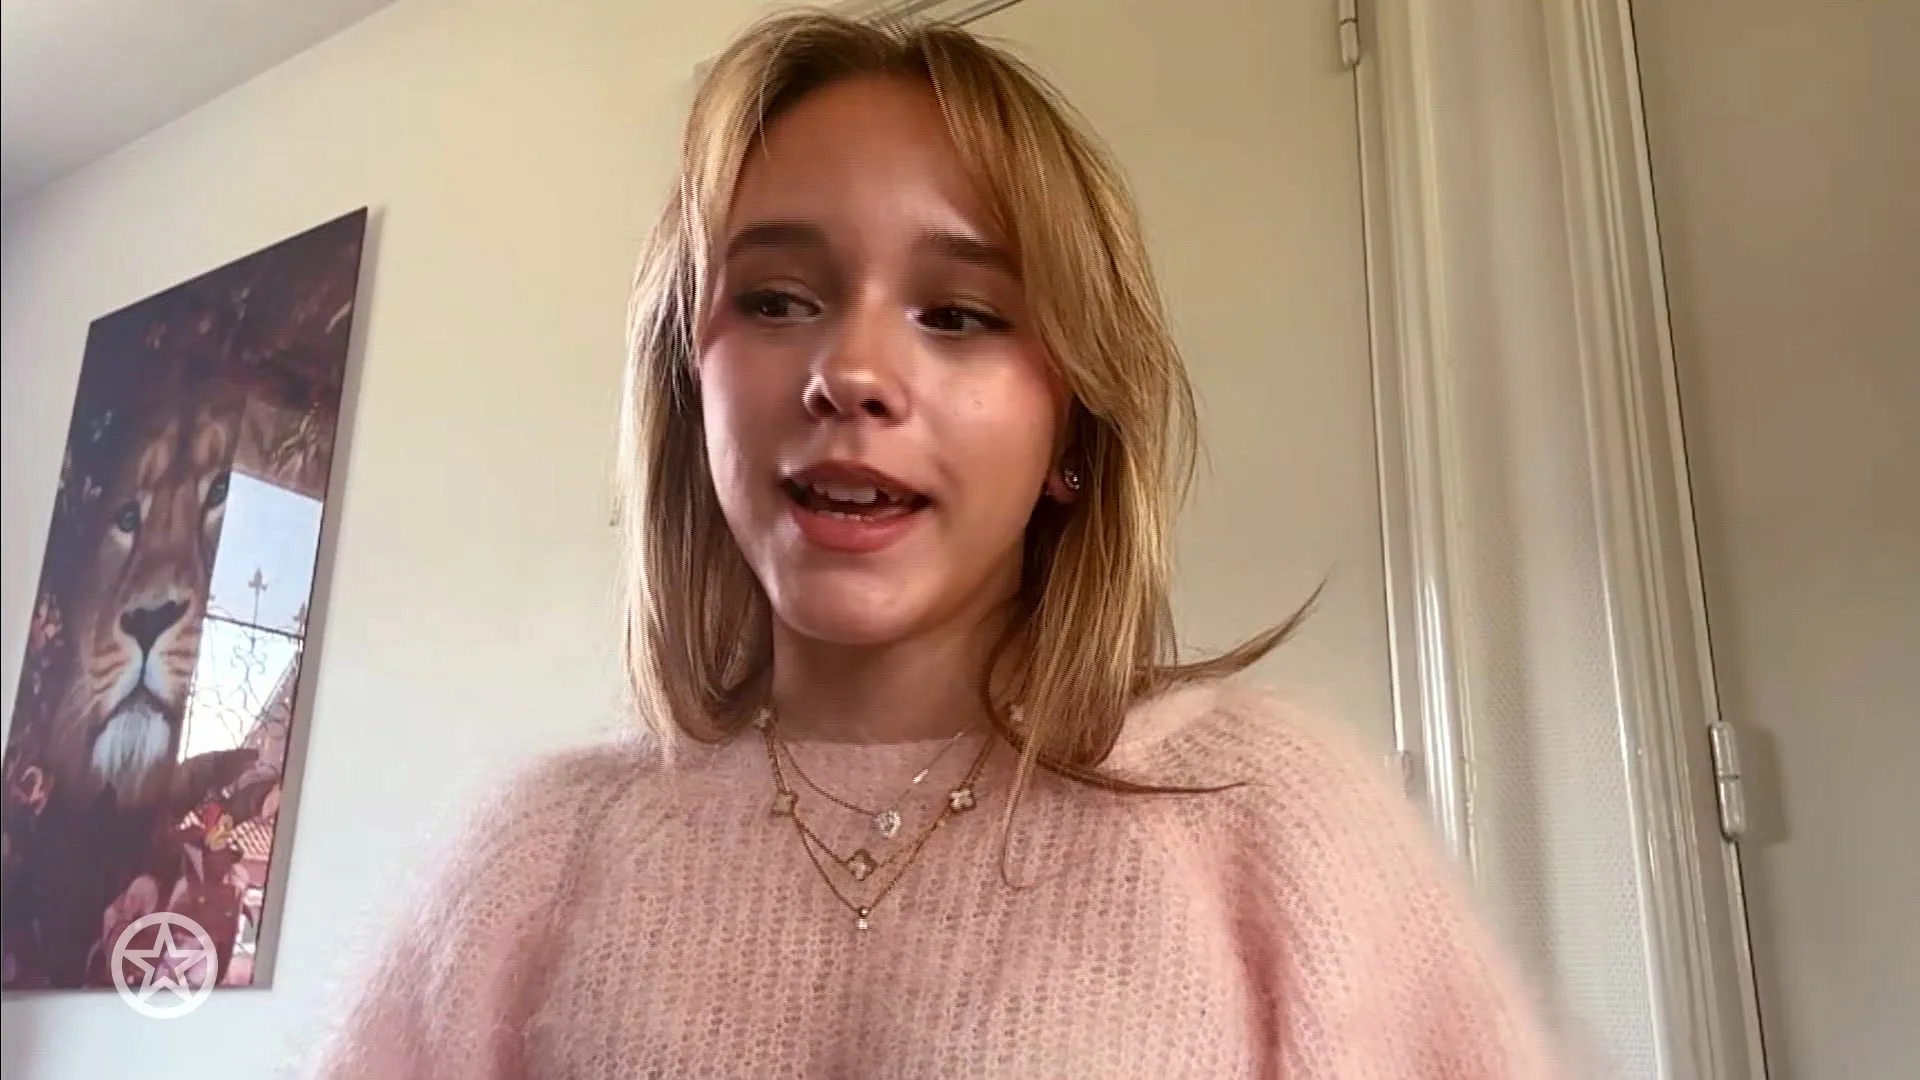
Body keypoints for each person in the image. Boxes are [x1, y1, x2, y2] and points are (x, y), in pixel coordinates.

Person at [316, 10, 1558, 1078]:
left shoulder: (1267, 821)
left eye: (959, 314)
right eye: (776, 300)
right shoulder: (534, 858)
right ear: (691, 391)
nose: (850, 371)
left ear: (1072, 429)